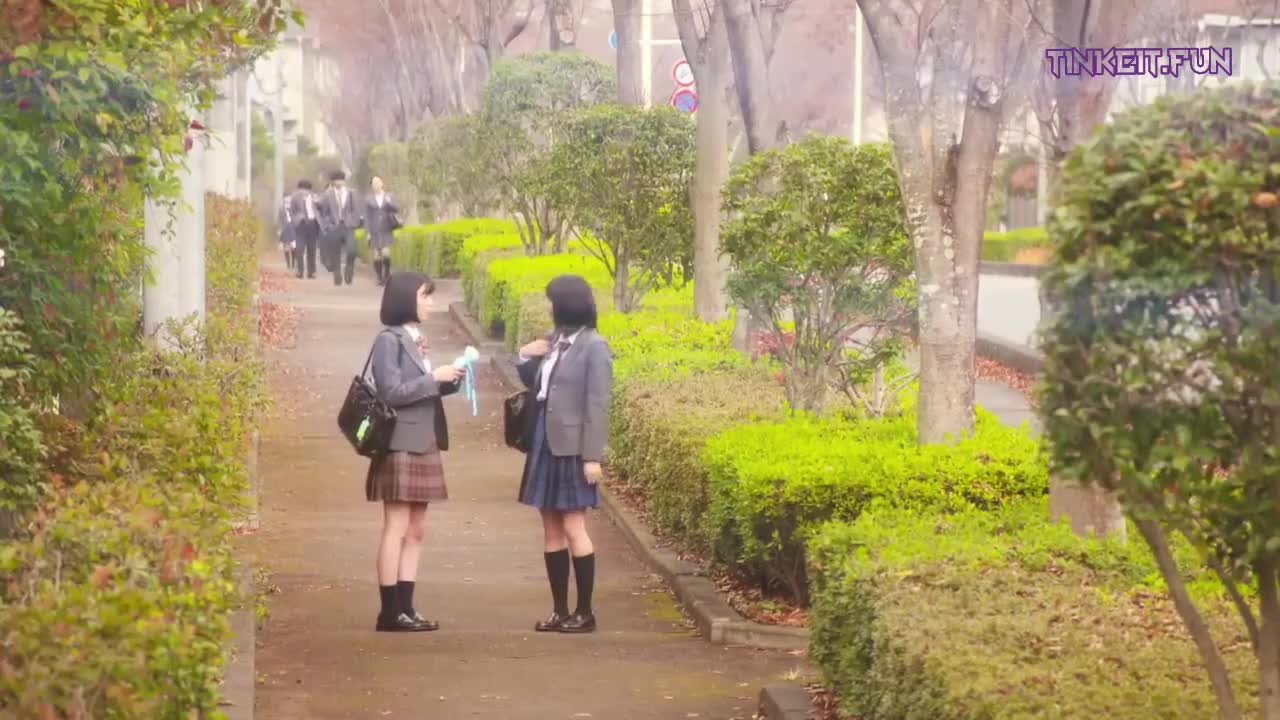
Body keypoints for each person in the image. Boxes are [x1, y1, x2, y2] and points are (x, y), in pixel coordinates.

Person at [366, 271, 465, 632]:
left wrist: (449, 380)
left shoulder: (415, 338)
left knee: (417, 529)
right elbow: (391, 393)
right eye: (425, 295)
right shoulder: (388, 340)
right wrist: (433, 378)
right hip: (399, 443)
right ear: (407, 298)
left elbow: (421, 389)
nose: (430, 302)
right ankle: (389, 611)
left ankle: (407, 607)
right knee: (396, 526)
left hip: (424, 440)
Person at [515, 274, 613, 635]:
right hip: (544, 439)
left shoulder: (594, 346)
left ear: (567, 304)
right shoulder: (554, 340)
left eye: (552, 301)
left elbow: (598, 404)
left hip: (573, 447)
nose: (549, 307)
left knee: (574, 527)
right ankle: (559, 611)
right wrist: (525, 355)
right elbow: (538, 385)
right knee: (551, 528)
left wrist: (592, 456)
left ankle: (584, 612)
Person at [320, 170, 362, 286]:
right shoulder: (327, 195)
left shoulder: (351, 193)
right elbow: (324, 212)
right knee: (335, 252)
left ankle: (349, 268)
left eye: (341, 180)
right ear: (333, 182)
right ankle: (337, 274)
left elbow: (356, 209)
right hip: (334, 226)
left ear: (344, 181)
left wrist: (354, 221)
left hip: (349, 226)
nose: (339, 182)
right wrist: (328, 224)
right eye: (336, 180)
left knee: (352, 250)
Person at [364, 175, 400, 286]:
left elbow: (396, 209)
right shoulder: (368, 199)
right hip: (374, 230)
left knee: (386, 253)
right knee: (377, 255)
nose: (376, 185)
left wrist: (389, 203)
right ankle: (379, 276)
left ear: (382, 183)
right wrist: (368, 232)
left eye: (378, 182)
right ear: (371, 186)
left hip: (386, 228)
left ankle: (387, 273)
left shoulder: (389, 196)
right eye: (374, 183)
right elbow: (367, 216)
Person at [288, 180, 320, 279]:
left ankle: (312, 272)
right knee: (299, 249)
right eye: (302, 190)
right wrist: (296, 220)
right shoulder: (295, 197)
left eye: (306, 190)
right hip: (301, 225)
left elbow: (321, 209)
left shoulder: (314, 197)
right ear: (299, 189)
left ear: (310, 190)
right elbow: (291, 211)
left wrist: (317, 203)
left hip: (313, 224)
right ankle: (300, 271)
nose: (304, 192)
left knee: (312, 249)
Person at [277, 192, 296, 270]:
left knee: (294, 246)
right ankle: (288, 264)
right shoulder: (281, 208)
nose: (288, 200)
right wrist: (279, 229)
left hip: (293, 227)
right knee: (286, 247)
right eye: (286, 199)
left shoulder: (293, 207)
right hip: (285, 228)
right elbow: (279, 219)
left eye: (289, 198)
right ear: (283, 199)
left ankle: (293, 263)